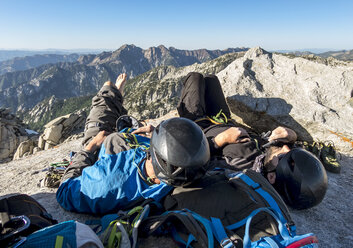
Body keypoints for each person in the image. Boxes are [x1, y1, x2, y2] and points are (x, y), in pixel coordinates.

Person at [56, 74, 210, 214]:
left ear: (154, 154)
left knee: (107, 88)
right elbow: (187, 152)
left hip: (103, 148)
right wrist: (155, 134)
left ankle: (115, 96)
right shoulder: (180, 172)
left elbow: (64, 192)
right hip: (128, 141)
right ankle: (117, 101)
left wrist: (91, 147)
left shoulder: (107, 182)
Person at [177, 72, 327, 209]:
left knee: (195, 77)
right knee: (211, 79)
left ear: (271, 177)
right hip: (224, 119)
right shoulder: (268, 162)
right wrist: (291, 135)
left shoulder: (240, 169)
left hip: (198, 125)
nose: (286, 148)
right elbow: (290, 149)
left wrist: (221, 139)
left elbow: (194, 158)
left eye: (283, 157)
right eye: (290, 150)